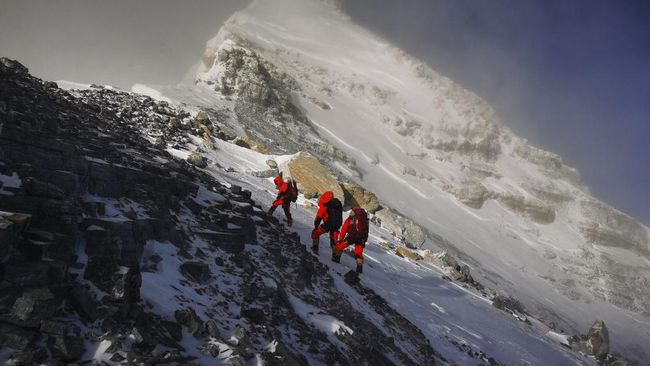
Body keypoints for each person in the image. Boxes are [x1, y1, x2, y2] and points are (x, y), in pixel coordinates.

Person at [332, 207, 369, 274]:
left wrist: (340, 239)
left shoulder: (351, 218)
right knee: (358, 252)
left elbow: (344, 229)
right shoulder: (364, 219)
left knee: (340, 247)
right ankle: (359, 269)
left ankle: (336, 259)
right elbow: (366, 231)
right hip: (361, 238)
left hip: (352, 236)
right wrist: (364, 241)